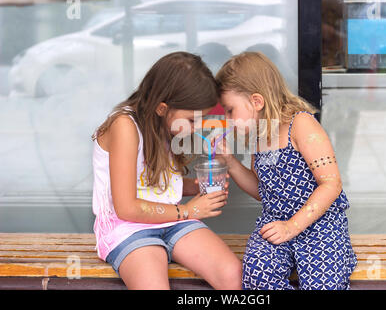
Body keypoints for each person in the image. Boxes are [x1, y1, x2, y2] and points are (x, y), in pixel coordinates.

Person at [91, 52, 242, 290]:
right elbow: (126, 207)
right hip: (128, 227)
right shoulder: (125, 127)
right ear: (162, 108)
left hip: (173, 222)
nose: (197, 127)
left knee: (232, 274)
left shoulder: (163, 126)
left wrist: (199, 186)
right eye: (192, 120)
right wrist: (188, 210)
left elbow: (157, 184)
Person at [214, 51, 357, 290]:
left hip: (318, 223)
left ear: (257, 102)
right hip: (276, 222)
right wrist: (230, 163)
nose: (227, 119)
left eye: (230, 110)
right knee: (257, 276)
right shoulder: (260, 136)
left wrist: (293, 226)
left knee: (323, 285)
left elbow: (331, 184)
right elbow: (263, 191)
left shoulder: (301, 124)